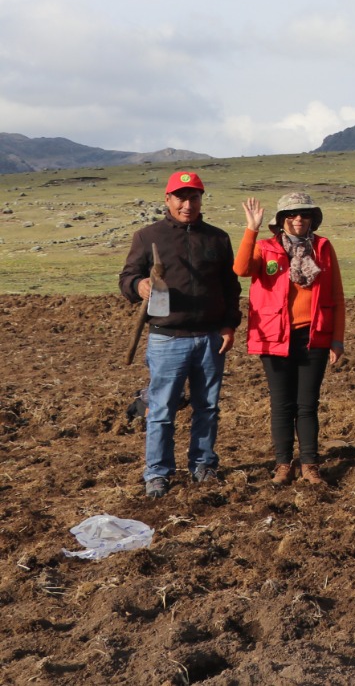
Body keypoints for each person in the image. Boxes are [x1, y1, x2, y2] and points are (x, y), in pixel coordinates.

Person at [119, 170, 241, 498]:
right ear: (168, 199)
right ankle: (157, 473)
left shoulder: (217, 238)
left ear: (201, 199)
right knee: (161, 409)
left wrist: (230, 324)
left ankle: (203, 465)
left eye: (194, 197)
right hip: (167, 338)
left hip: (210, 337)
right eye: (181, 198)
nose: (188, 204)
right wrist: (138, 285)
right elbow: (127, 277)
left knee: (208, 407)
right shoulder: (148, 237)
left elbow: (231, 287)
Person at [234, 192, 346, 486]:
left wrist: (337, 339)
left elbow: (336, 295)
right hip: (274, 337)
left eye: (304, 214)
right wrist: (251, 228)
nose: (298, 219)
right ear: (281, 220)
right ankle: (283, 464)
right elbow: (241, 269)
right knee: (282, 404)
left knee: (307, 405)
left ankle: (310, 464)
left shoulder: (322, 247)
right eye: (292, 214)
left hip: (314, 335)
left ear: (311, 219)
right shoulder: (265, 248)